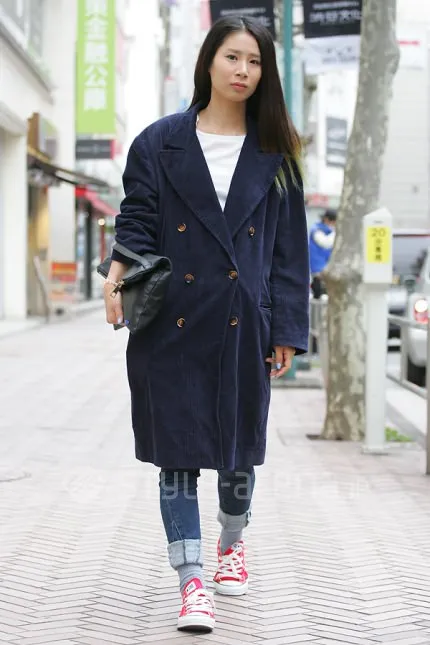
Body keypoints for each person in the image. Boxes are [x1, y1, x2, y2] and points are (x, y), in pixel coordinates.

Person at [103, 15, 310, 634]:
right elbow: (136, 218)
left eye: (255, 61)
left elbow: (289, 252)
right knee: (177, 453)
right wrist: (116, 277)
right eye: (233, 57)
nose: (243, 71)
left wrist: (287, 329)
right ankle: (191, 581)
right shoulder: (159, 142)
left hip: (245, 323)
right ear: (209, 62)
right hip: (171, 321)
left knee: (237, 453)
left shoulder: (277, 152)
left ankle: (232, 543)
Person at [309, 209, 337, 299]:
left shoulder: (329, 230)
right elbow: (326, 243)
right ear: (326, 219)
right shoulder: (316, 230)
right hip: (317, 262)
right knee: (318, 283)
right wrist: (336, 232)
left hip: (326, 261)